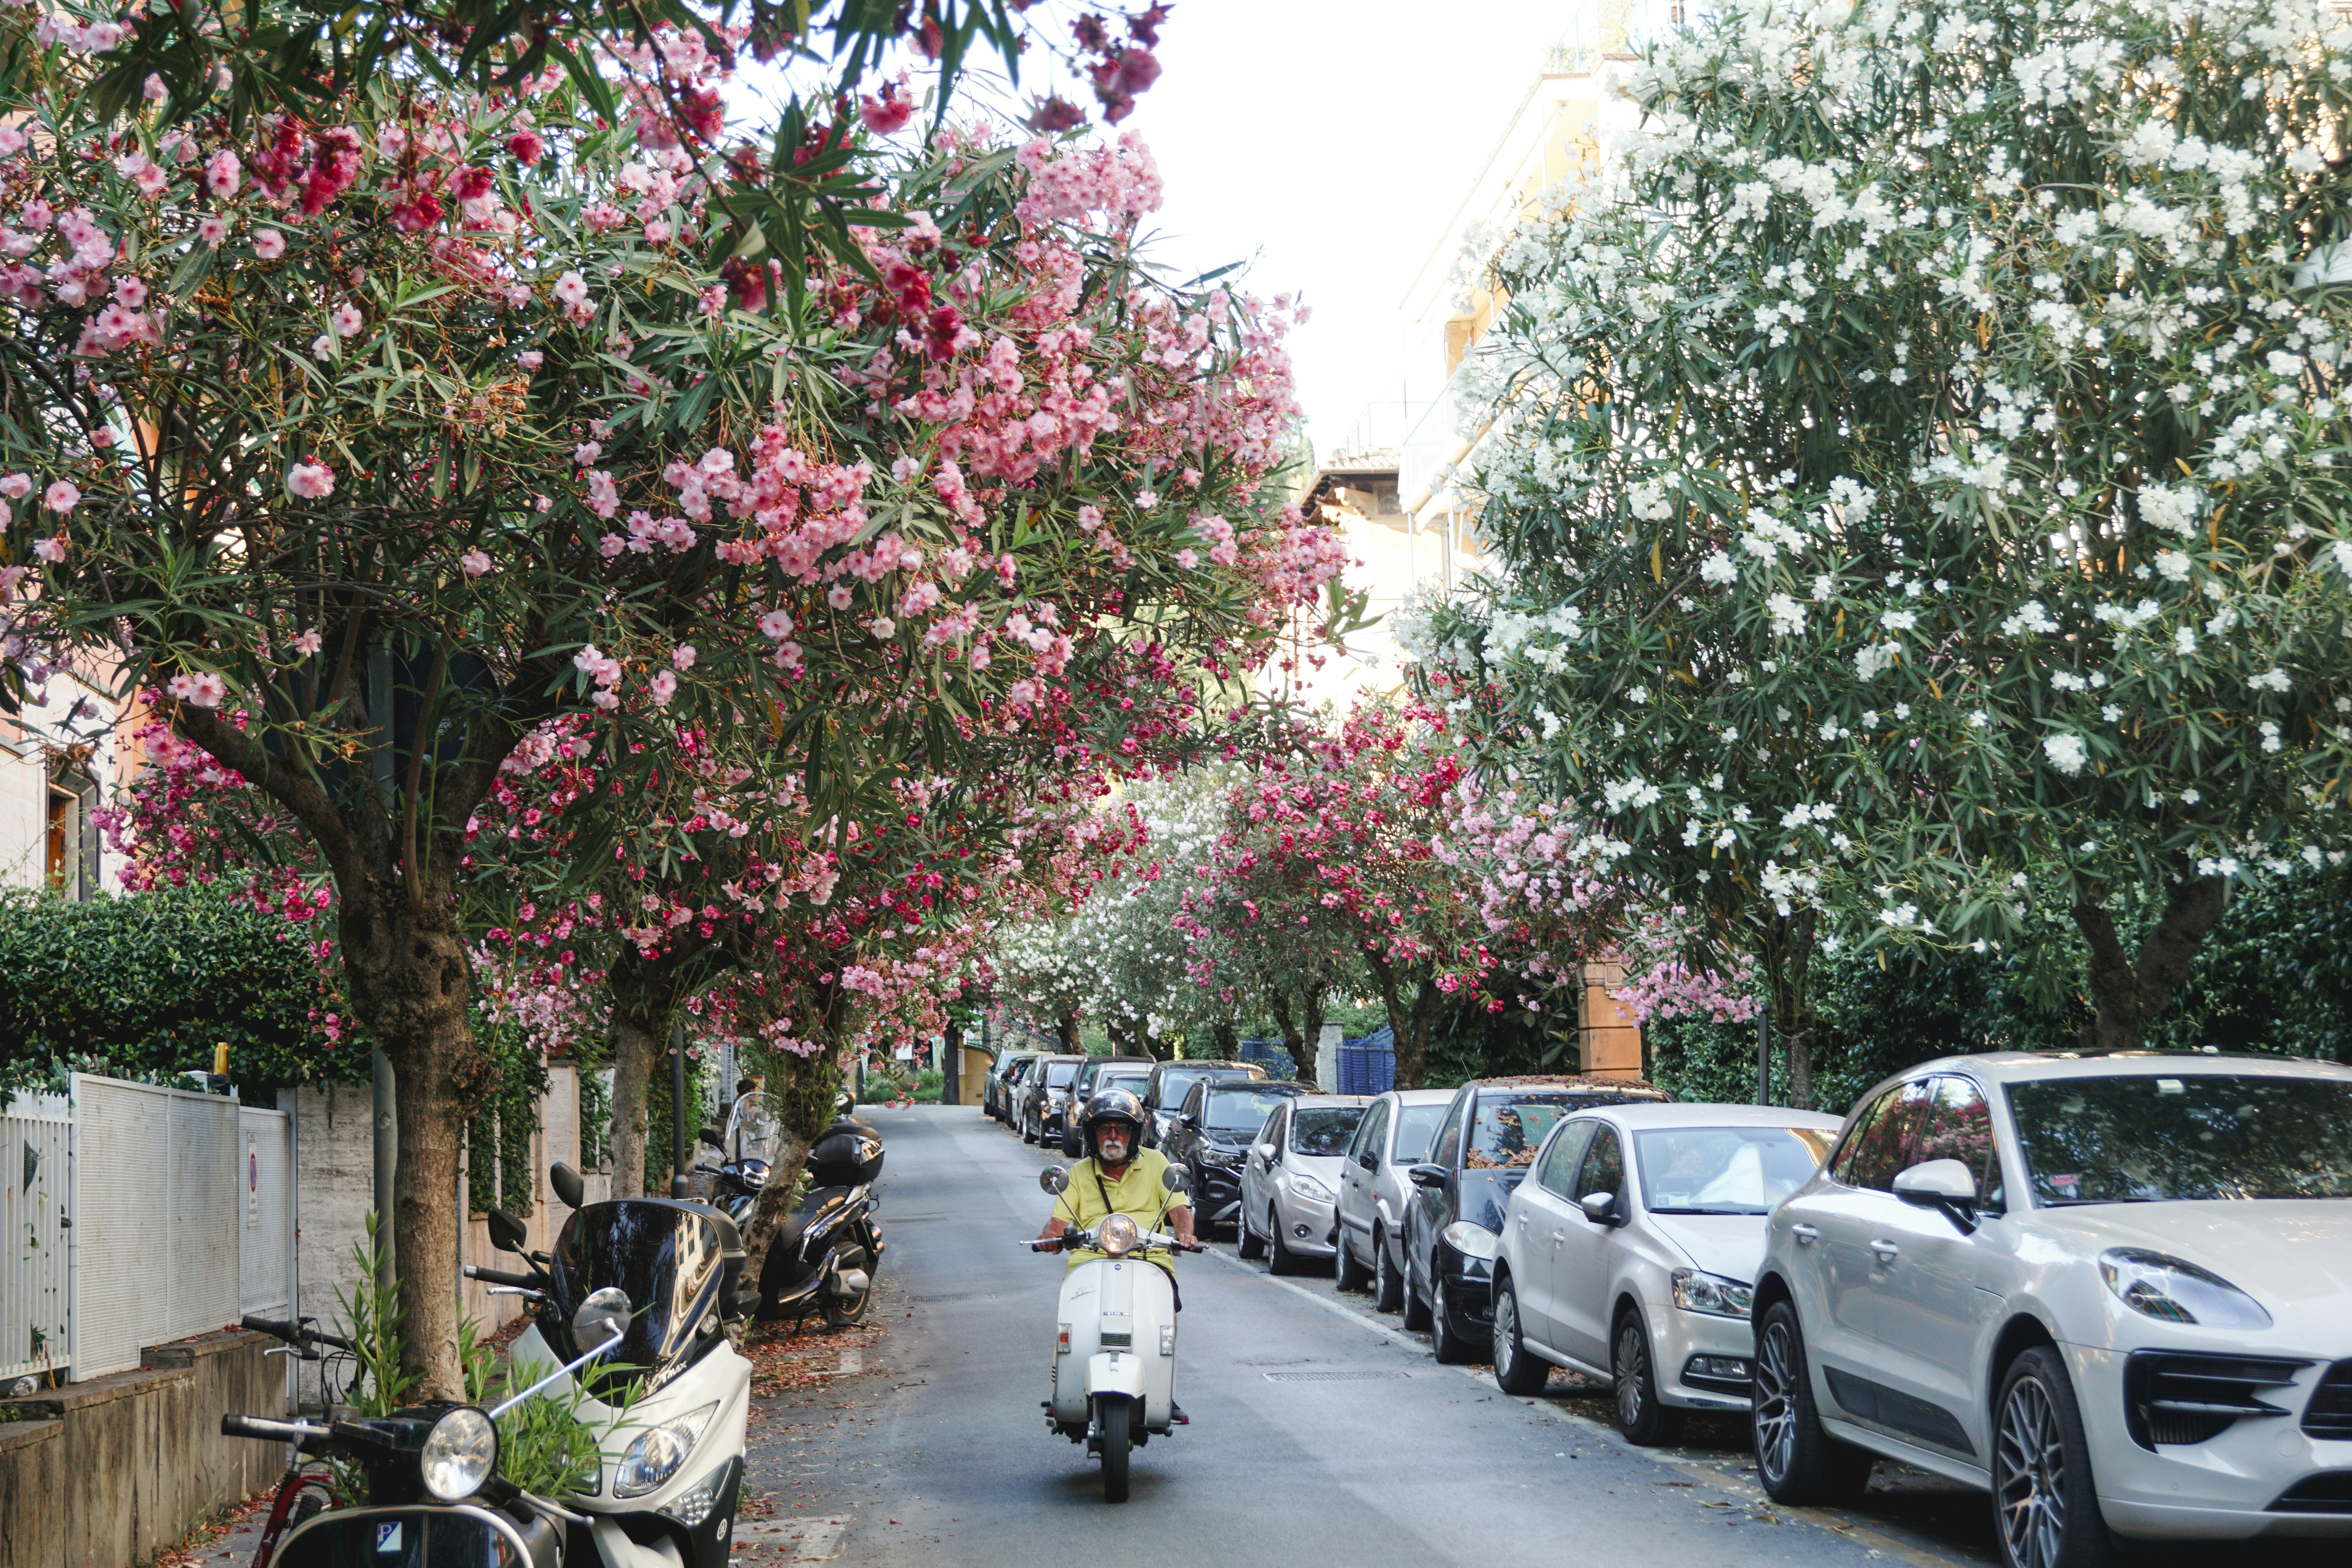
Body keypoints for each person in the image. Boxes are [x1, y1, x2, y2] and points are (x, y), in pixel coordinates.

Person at [1033, 1086, 1196, 1423]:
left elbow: (1180, 1209)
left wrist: (1185, 1233)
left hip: (1148, 1259)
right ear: (1092, 1135)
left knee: (1164, 1320)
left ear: (1134, 1134)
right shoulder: (1078, 1173)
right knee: (1073, 1324)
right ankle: (1061, 1387)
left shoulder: (1157, 1163)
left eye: (1120, 1129)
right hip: (1089, 1261)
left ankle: (1164, 1390)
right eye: (1104, 1129)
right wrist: (1049, 1237)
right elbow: (1058, 1220)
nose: (1112, 1136)